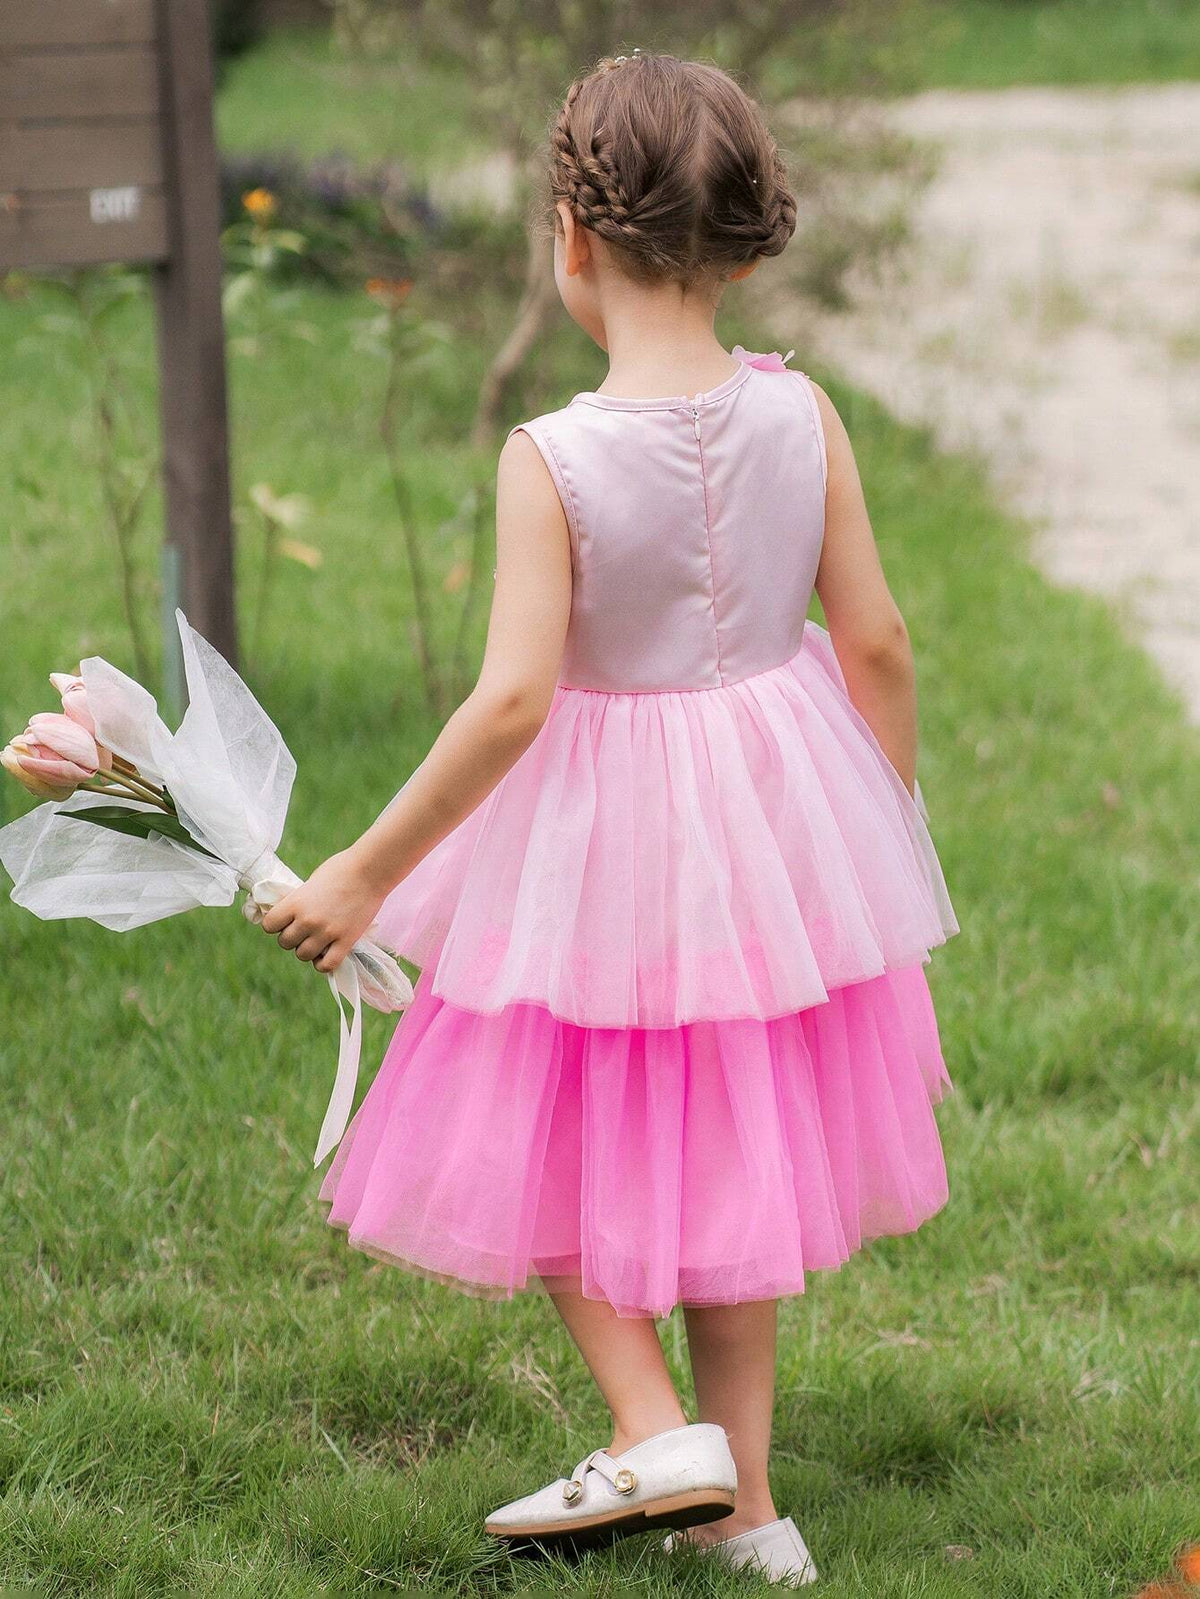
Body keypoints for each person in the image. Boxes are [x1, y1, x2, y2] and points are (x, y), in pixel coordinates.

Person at [258, 50, 959, 1588]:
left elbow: (514, 699)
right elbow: (880, 642)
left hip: (598, 851)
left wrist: (363, 872)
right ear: (737, 242)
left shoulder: (554, 458)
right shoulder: (803, 414)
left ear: (569, 237)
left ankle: (654, 1429)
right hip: (766, 837)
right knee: (733, 1154)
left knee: (556, 1128)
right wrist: (877, 838)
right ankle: (750, 1512)